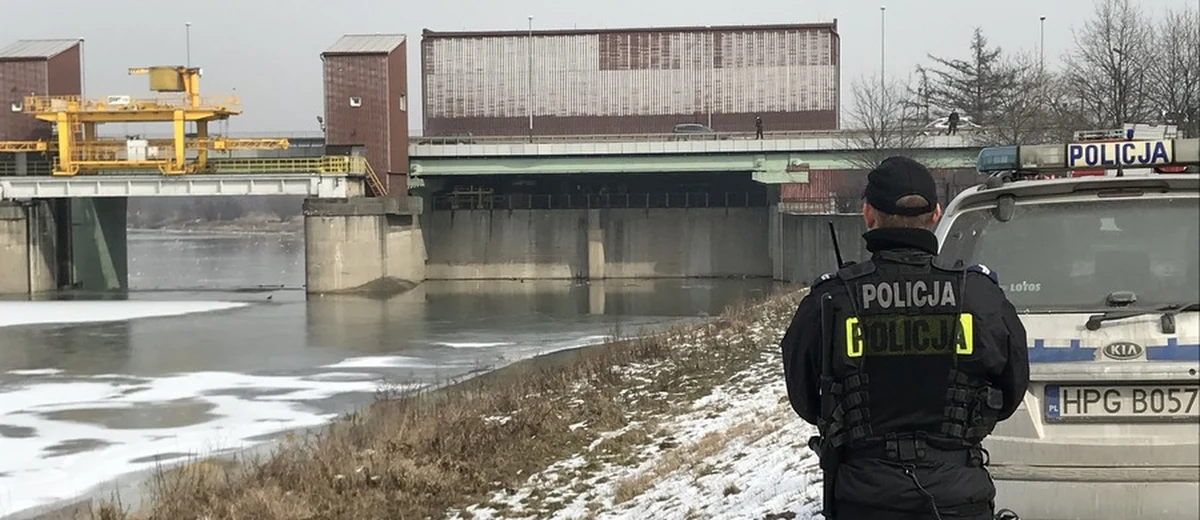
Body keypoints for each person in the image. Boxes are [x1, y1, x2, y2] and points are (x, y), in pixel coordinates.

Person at [779, 156, 1030, 520]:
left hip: (864, 497)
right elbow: (1012, 388)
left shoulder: (832, 297)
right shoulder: (978, 294)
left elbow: (804, 399)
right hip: (958, 495)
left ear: (868, 214)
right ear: (936, 213)